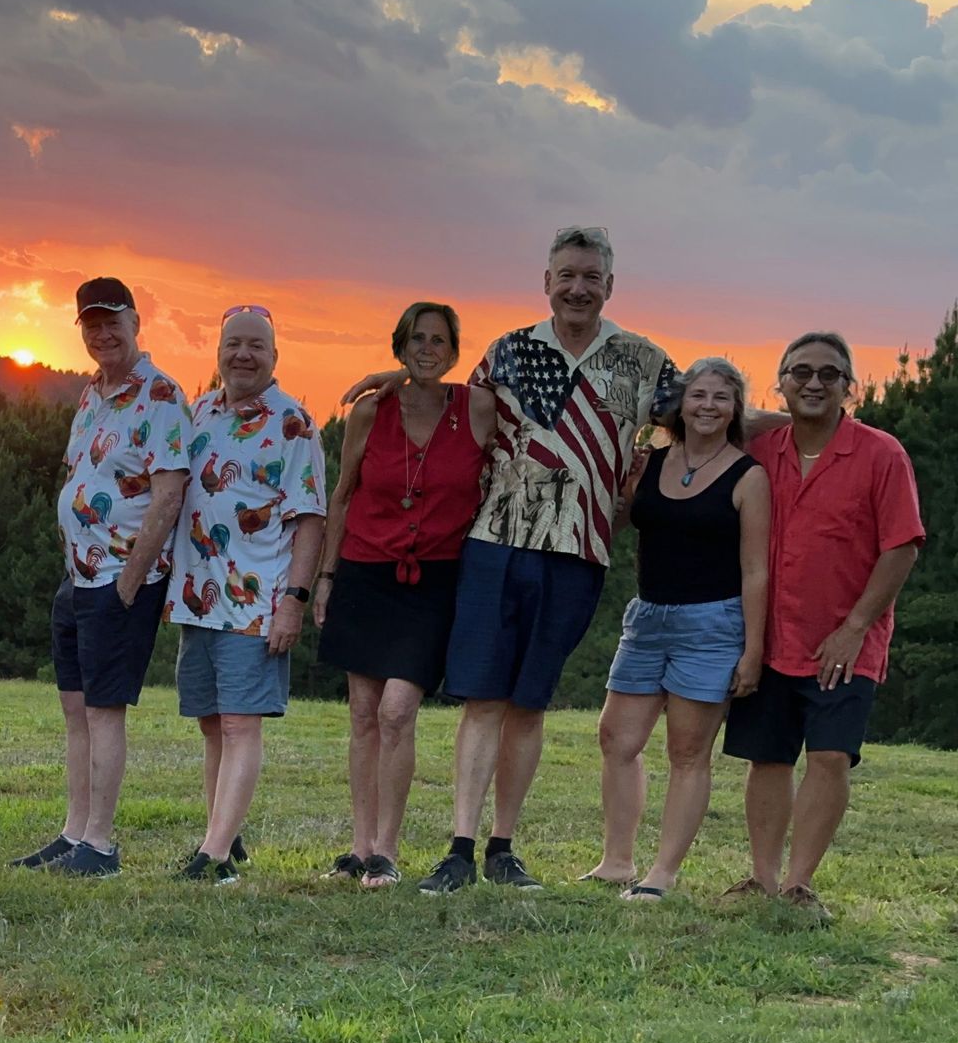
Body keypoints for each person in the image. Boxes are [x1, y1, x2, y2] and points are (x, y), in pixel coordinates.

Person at [345, 228, 680, 894]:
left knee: (528, 707)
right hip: (495, 544)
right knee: (483, 701)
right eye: (566, 275)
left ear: (609, 286)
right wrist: (393, 377)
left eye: (590, 276)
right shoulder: (507, 353)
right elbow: (443, 401)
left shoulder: (644, 361)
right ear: (546, 282)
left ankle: (504, 846)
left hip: (579, 554)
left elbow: (709, 415)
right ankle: (460, 849)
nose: (578, 287)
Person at [720, 332, 923, 919]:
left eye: (829, 375)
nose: (814, 383)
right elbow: (690, 416)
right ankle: (761, 878)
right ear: (780, 381)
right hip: (769, 634)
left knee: (830, 756)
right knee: (769, 757)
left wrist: (856, 625)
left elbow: (902, 548)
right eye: (800, 372)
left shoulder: (882, 454)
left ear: (848, 387)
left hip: (846, 640)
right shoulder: (760, 452)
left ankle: (799, 884)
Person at [12, 276, 190, 877]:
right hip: (78, 578)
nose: (102, 332)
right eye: (91, 323)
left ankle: (103, 846)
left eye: (112, 320)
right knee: (76, 708)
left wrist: (130, 581)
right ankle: (74, 833)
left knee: (105, 709)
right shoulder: (92, 394)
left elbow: (169, 494)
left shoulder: (160, 394)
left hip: (120, 578)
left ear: (137, 321)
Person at [315, 303, 495, 887]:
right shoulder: (371, 412)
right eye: (417, 339)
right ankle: (361, 845)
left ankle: (387, 849)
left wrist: (408, 378)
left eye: (439, 340)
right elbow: (341, 495)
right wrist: (324, 578)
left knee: (398, 710)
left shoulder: (476, 408)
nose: (428, 348)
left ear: (454, 350)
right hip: (365, 572)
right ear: (401, 344)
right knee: (365, 715)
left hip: (433, 582)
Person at [585, 358, 769, 902]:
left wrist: (752, 650)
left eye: (722, 397)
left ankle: (661, 874)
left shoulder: (747, 476)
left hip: (713, 622)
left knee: (688, 753)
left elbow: (756, 569)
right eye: (698, 395)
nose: (708, 406)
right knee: (616, 738)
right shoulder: (653, 461)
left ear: (737, 409)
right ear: (681, 404)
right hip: (647, 617)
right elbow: (621, 517)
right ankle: (617, 862)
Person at [166, 305, 326, 883]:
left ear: (275, 357)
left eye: (256, 346)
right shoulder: (200, 411)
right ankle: (224, 838)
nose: (243, 355)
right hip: (198, 596)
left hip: (257, 601)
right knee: (212, 721)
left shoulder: (295, 425)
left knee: (239, 724)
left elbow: (310, 520)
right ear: (217, 353)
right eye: (233, 343)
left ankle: (212, 858)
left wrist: (294, 601)